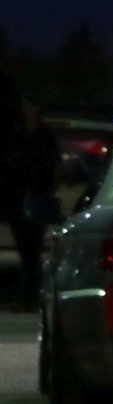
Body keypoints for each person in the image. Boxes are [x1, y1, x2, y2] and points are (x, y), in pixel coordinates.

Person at [1, 93, 61, 308]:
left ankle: (29, 297)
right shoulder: (15, 134)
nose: (26, 110)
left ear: (37, 108)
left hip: (36, 197)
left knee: (33, 250)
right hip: (17, 198)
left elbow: (50, 165)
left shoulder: (45, 135)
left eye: (29, 105)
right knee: (26, 250)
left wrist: (43, 185)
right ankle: (28, 296)